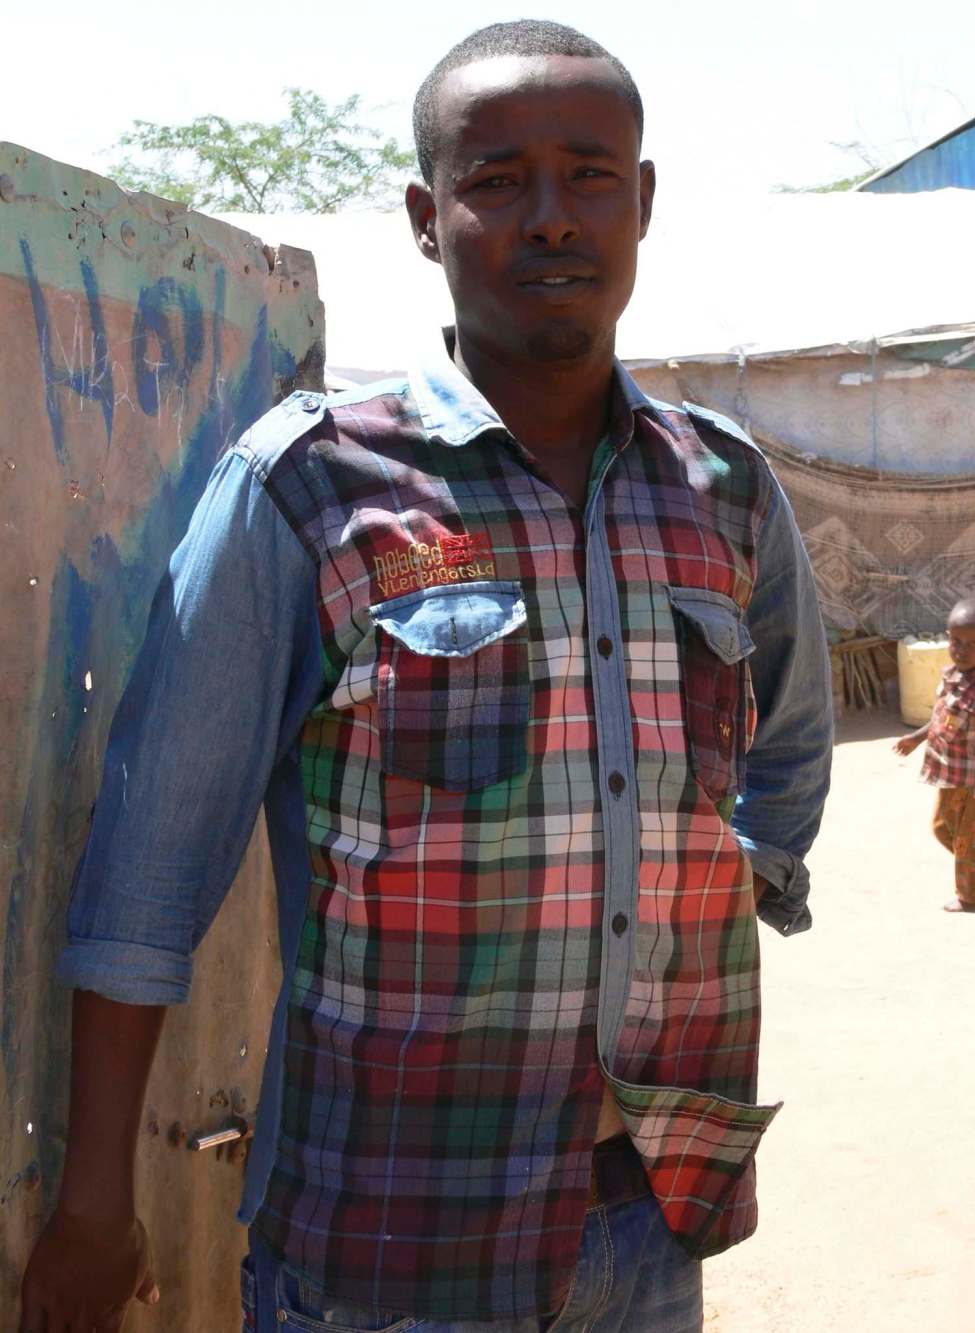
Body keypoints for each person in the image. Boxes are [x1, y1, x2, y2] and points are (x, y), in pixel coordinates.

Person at [19, 20, 832, 1333]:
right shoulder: (312, 487)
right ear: (424, 214)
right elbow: (148, 874)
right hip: (390, 1250)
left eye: (590, 174)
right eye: (499, 180)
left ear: (644, 200)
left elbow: (784, 746)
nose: (553, 218)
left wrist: (723, 887)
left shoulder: (727, 488)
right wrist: (94, 1198)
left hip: (650, 1230)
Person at [893, 596, 975, 912]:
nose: (961, 649)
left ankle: (971, 895)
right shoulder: (950, 675)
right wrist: (915, 738)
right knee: (942, 829)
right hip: (946, 770)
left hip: (970, 777)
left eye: (972, 644)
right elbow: (940, 717)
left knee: (965, 837)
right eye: (955, 641)